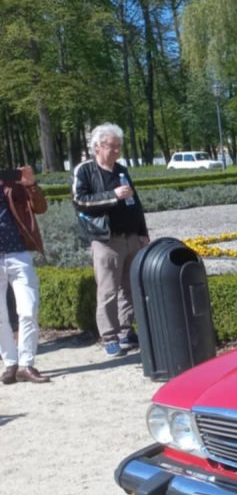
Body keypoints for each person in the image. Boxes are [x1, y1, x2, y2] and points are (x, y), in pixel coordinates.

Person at [72, 124, 149, 357]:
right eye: (112, 146)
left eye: (118, 146)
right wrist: (112, 196)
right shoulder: (85, 170)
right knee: (108, 292)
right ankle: (110, 337)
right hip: (106, 240)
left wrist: (142, 232)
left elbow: (135, 203)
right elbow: (79, 201)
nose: (116, 151)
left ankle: (126, 331)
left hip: (131, 238)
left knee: (129, 288)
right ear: (97, 146)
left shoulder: (121, 170)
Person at [0, 165, 49, 384]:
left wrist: (31, 185)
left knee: (28, 309)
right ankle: (10, 363)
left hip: (18, 254)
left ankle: (26, 364)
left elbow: (40, 208)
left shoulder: (12, 180)